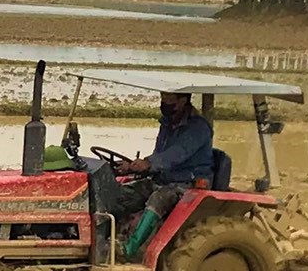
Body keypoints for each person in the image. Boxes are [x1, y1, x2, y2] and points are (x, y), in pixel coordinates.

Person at [83, 91, 215, 261]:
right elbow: (159, 155)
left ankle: (129, 249)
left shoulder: (198, 128)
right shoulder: (167, 124)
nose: (164, 102)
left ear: (183, 100)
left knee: (159, 198)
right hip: (163, 179)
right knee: (119, 194)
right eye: (162, 98)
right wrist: (132, 167)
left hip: (187, 183)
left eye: (169, 99)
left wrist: (149, 162)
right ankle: (100, 242)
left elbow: (176, 154)